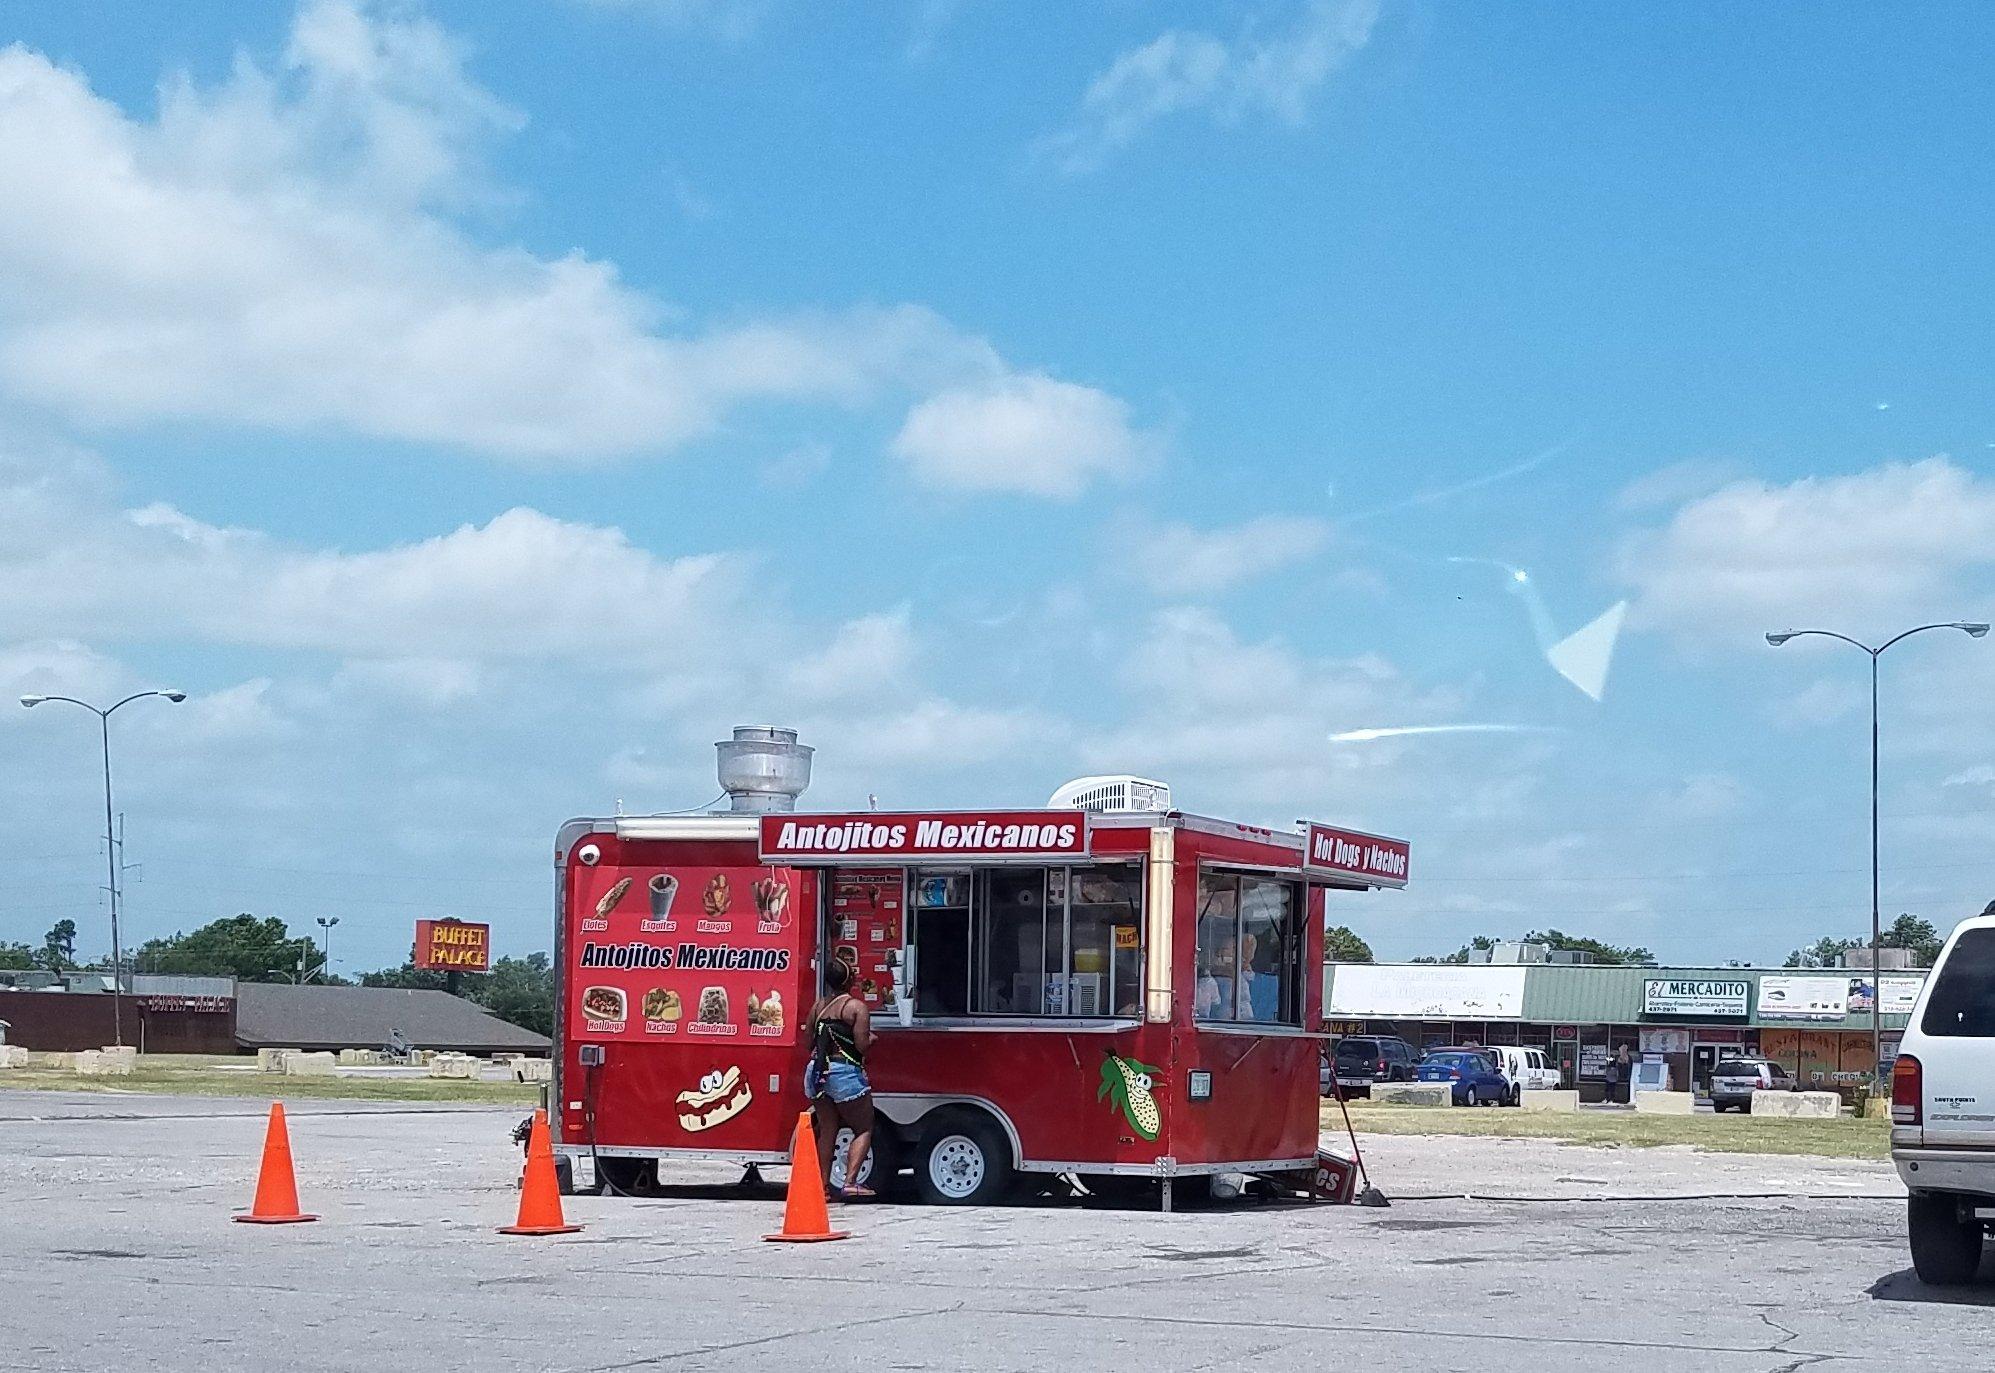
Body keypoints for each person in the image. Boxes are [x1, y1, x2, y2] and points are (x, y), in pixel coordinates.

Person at [806, 959, 875, 1199]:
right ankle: (850, 1182)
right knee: (863, 1127)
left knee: (828, 1129)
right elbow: (862, 1046)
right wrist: (871, 1039)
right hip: (843, 1072)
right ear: (849, 981)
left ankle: (822, 1187)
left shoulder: (818, 1007)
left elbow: (808, 1043)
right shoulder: (856, 1008)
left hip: (816, 1072)